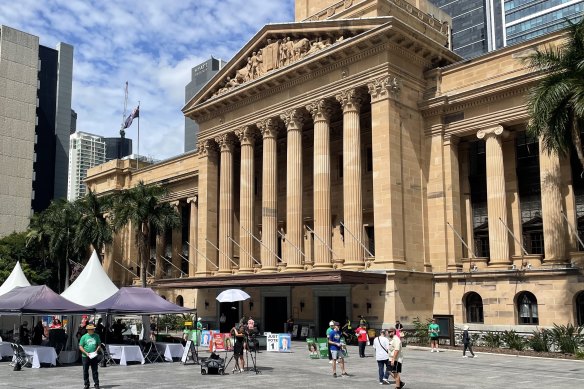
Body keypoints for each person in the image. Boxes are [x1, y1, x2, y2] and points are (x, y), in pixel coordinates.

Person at [79, 324, 101, 389]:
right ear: (88, 330)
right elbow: (80, 346)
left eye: (93, 329)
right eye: (91, 329)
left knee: (95, 370)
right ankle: (86, 384)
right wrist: (86, 353)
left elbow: (99, 344)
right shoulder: (84, 337)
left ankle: (96, 384)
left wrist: (97, 350)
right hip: (85, 356)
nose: (93, 330)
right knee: (85, 370)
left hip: (93, 355)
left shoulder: (96, 336)